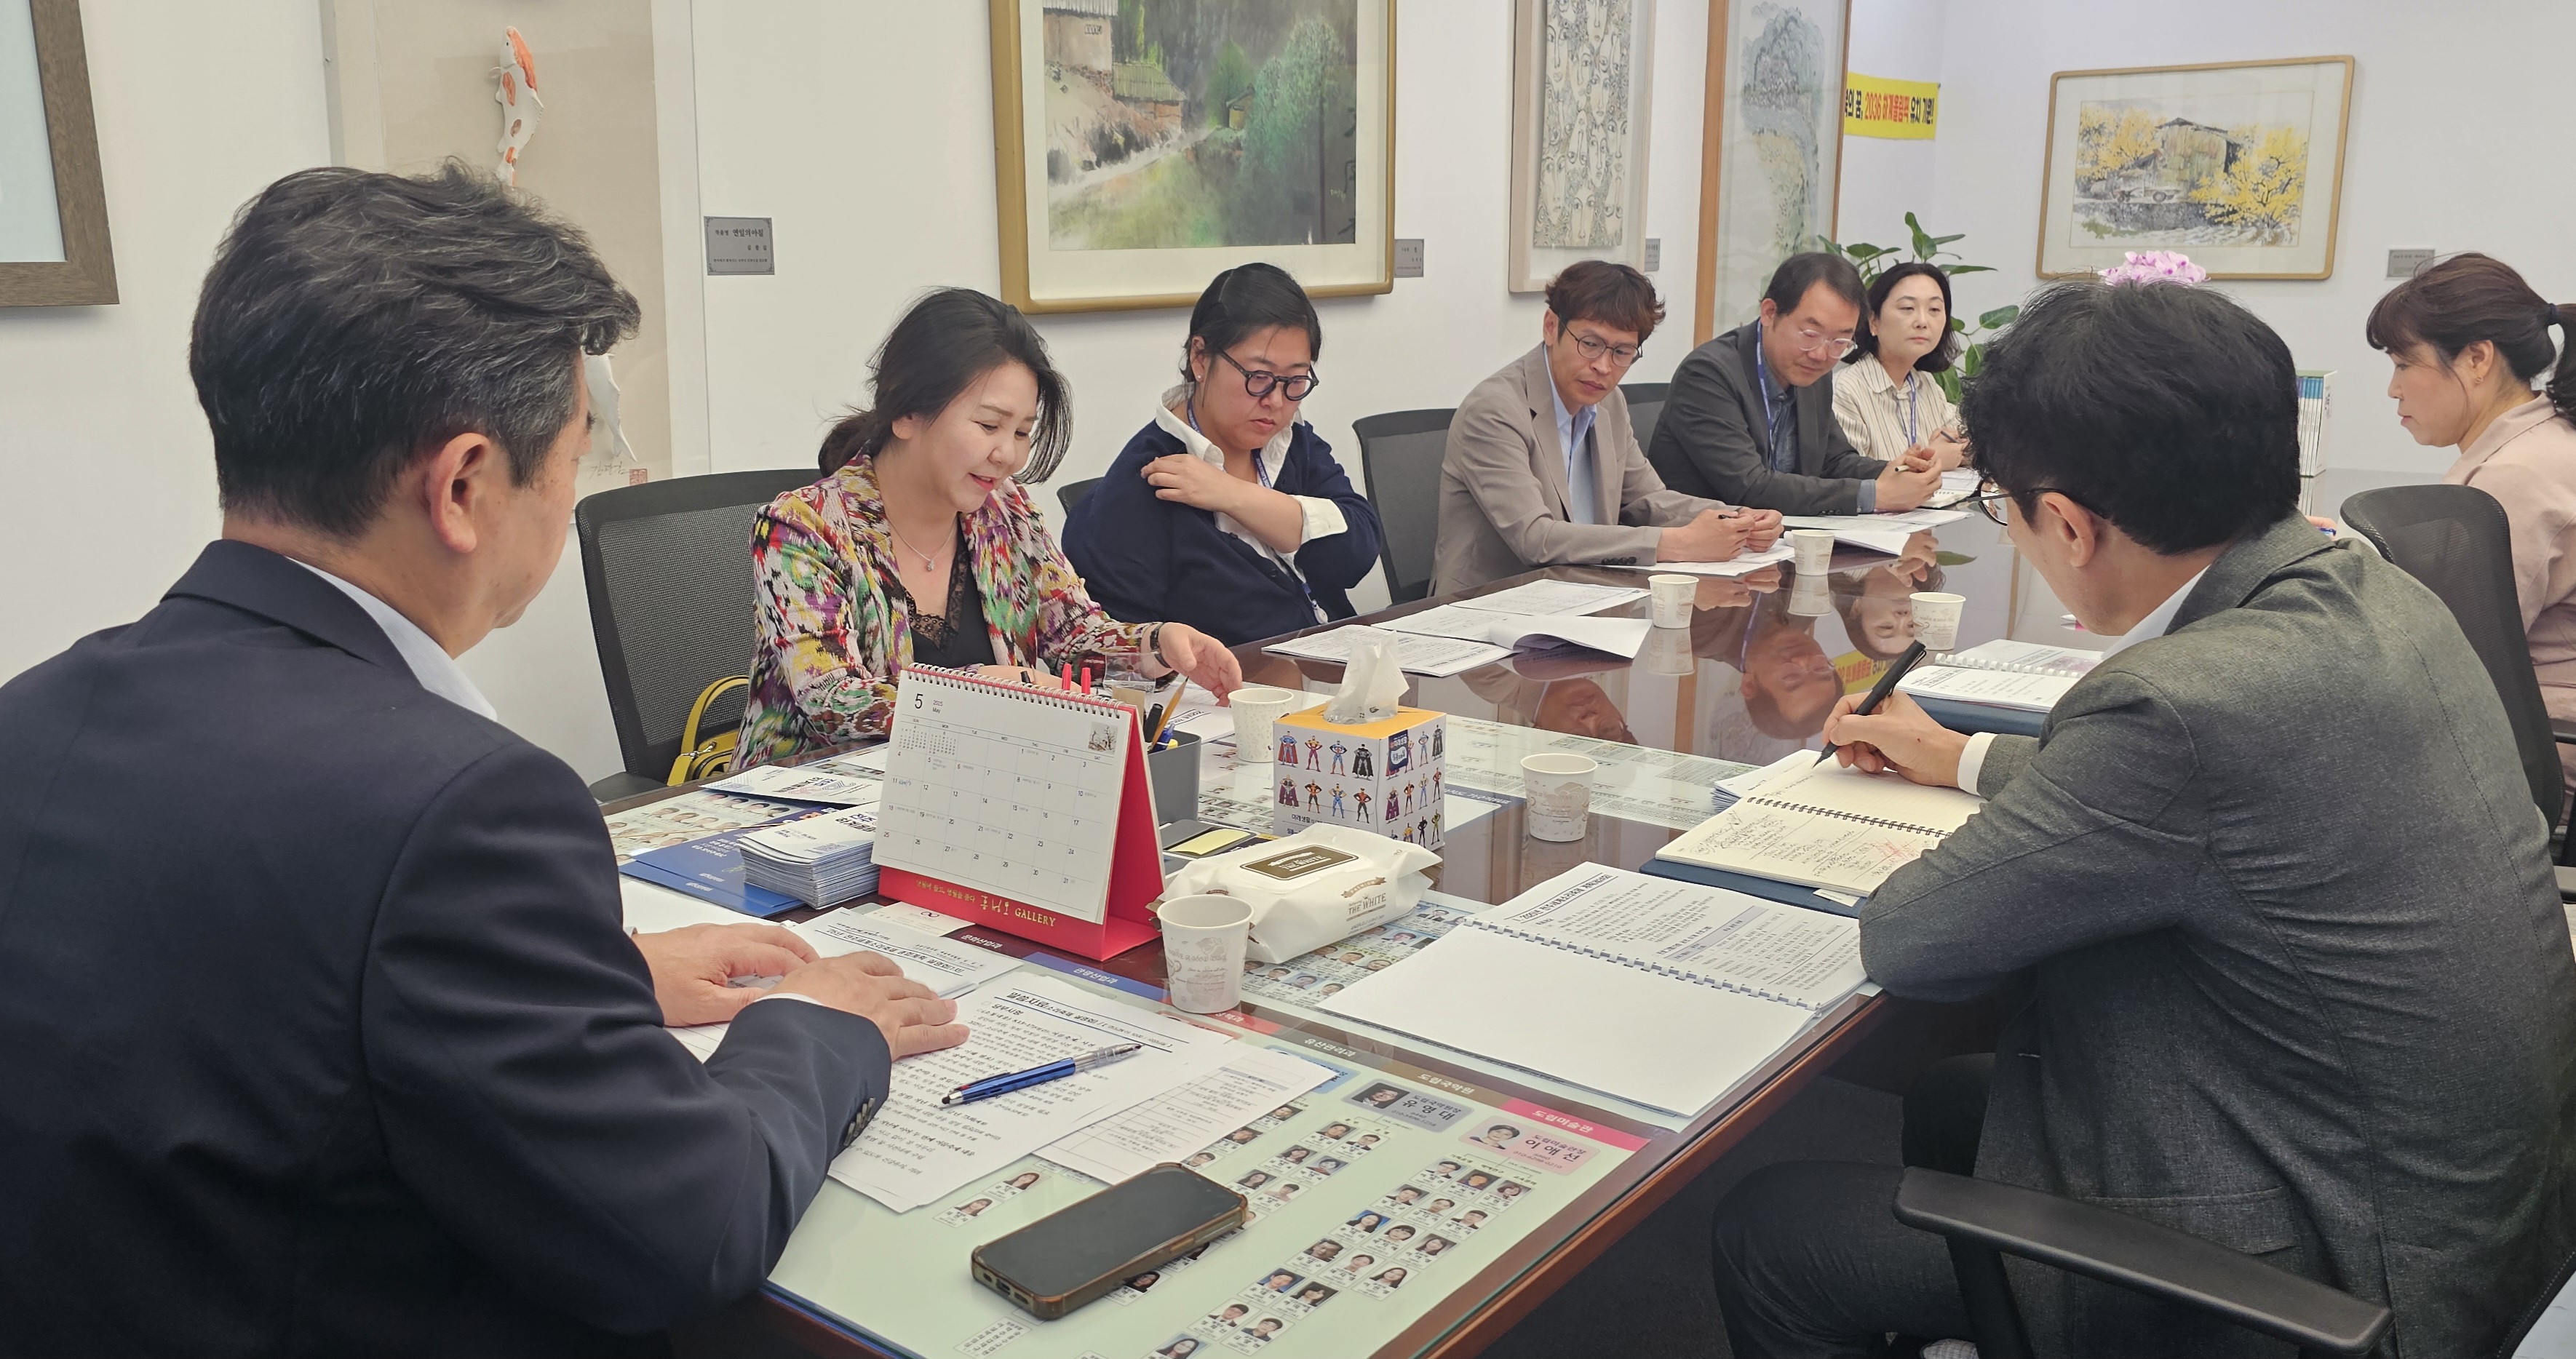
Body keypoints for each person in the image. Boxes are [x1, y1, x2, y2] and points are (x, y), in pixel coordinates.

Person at [0, 165, 971, 1356]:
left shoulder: (35, 715)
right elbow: (683, 1231)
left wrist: (597, 974)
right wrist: (816, 1026)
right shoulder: (461, 810)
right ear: (463, 485)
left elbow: (257, 979)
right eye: (574, 452)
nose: (575, 489)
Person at [1708, 279, 2576, 1357]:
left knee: (1772, 1229)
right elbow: (2208, 803)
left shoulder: (2179, 705)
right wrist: (1963, 756)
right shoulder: (2369, 589)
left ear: (2071, 524)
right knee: (1952, 1098)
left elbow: (1911, 937)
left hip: (2348, 1274)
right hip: (2473, 1211)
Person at [739, 288, 1241, 766]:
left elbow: (1071, 636)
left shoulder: (1005, 512)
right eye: (988, 425)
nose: (1008, 455)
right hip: (807, 802)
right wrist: (991, 689)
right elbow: (832, 703)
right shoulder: (803, 528)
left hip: (971, 785)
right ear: (907, 412)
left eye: (1022, 432)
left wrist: (1157, 645)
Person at [1064, 264, 1382, 646]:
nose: (1276, 401)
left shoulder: (1291, 441)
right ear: (1200, 358)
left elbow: (1356, 555)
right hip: (1239, 681)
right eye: (1259, 377)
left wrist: (1232, 495)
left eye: (1296, 381)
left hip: (1333, 664)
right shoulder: (1142, 484)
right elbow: (1123, 652)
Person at [1434, 260, 1783, 594]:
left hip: (1588, 592)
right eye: (1590, 344)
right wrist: (1676, 543)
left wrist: (1736, 519)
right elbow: (1536, 539)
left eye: (1622, 352)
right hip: (1491, 604)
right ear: (1551, 327)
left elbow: (1647, 499)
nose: (1603, 366)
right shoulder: (1495, 410)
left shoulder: (1609, 403)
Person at [2366, 251, 2576, 798]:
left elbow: (2439, 654)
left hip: (2536, 755)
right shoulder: (2541, 441)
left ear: (2478, 358)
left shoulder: (2519, 476)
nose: (2393, 389)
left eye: (2403, 364)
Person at [1648, 252, 1944, 514]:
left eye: (1840, 341)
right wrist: (1875, 494)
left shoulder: (1812, 369)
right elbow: (1751, 486)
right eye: (1810, 334)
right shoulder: (1709, 374)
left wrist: (1898, 471)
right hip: (1705, 544)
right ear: (1770, 313)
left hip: (1778, 540)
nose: (1821, 355)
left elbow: (1834, 462)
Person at [1832, 261, 1970, 469]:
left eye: (1934, 309)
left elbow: (1974, 442)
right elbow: (1847, 476)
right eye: (1908, 308)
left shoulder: (1926, 385)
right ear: (1873, 321)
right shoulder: (1845, 391)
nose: (1922, 321)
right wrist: (1934, 460)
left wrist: (1961, 450)